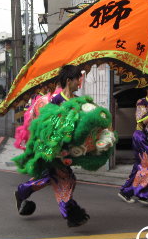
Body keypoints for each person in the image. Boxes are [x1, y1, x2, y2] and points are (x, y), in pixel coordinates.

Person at [14, 65, 92, 227]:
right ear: (69, 80)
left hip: (66, 149)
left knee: (49, 177)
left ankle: (22, 191)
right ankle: (71, 213)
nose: (80, 82)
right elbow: (47, 125)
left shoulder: (76, 100)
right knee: (65, 179)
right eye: (78, 79)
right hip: (53, 148)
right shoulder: (55, 102)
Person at [118, 87, 148, 206]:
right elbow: (143, 121)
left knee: (138, 166)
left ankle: (126, 191)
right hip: (140, 136)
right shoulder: (141, 102)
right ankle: (143, 195)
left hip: (146, 137)